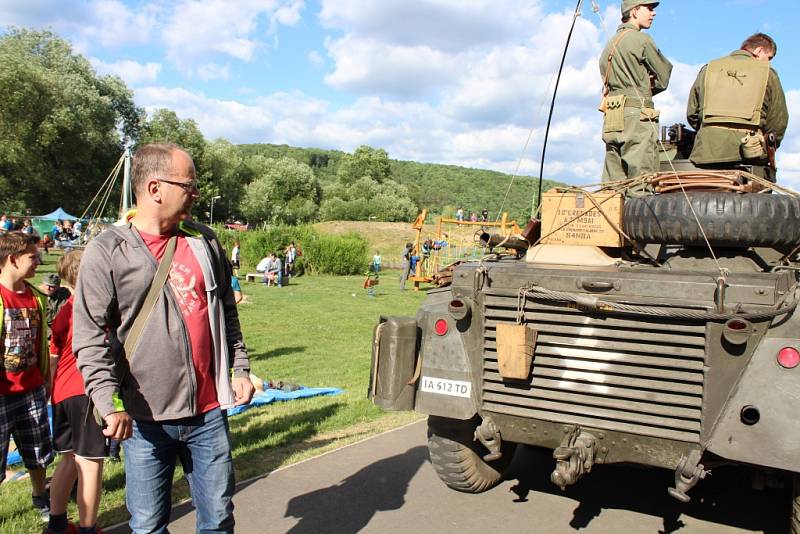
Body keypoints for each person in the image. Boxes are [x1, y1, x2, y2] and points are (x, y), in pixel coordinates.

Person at [72, 143, 255, 533]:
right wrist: (109, 403)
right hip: (144, 419)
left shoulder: (205, 241)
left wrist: (240, 368)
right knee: (149, 525)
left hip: (208, 413)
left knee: (219, 519)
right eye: (189, 185)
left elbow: (227, 312)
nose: (196, 193)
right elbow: (89, 338)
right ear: (156, 188)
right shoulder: (108, 250)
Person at [46, 250, 107, 534]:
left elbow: (54, 357)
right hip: (87, 392)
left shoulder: (63, 312)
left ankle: (57, 523)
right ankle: (88, 528)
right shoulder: (95, 309)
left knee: (69, 458)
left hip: (62, 394)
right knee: (91, 462)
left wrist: (50, 388)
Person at [0, 231, 53, 520]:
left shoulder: (35, 297)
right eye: (33, 257)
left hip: (31, 389)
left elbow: (40, 343)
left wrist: (46, 378)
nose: (39, 261)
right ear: (12, 259)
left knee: (37, 449)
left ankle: (40, 496)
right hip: (1, 393)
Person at [686, 33, 788, 182]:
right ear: (759, 51)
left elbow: (692, 114)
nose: (769, 62)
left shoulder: (708, 69)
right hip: (750, 155)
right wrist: (765, 147)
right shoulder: (768, 73)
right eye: (769, 57)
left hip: (706, 153)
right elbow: (778, 121)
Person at [598, 0, 672, 181]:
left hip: (612, 115)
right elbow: (663, 77)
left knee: (614, 182)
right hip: (637, 115)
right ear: (635, 11)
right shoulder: (641, 40)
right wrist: (646, 86)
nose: (653, 13)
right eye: (649, 8)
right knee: (642, 180)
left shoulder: (609, 44)